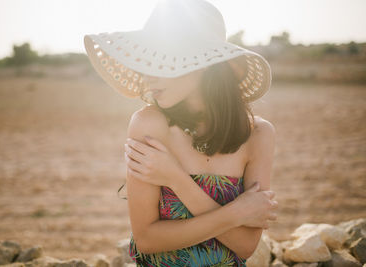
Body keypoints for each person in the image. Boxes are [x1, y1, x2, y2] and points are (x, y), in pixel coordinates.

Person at [84, 0, 278, 266]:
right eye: (146, 59)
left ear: (206, 63)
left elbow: (245, 246)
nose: (147, 74)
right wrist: (236, 214)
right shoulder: (149, 125)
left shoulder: (258, 135)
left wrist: (176, 178)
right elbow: (147, 239)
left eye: (162, 59)